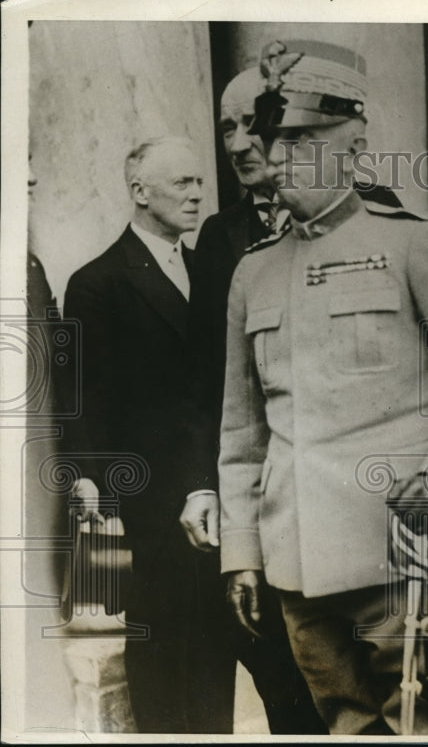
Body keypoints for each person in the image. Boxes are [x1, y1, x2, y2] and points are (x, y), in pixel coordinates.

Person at [217, 39, 428, 736]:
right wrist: (242, 554)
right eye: (273, 137)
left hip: (410, 556)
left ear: (354, 148)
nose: (279, 154)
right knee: (347, 728)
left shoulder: (419, 244)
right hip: (299, 572)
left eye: (302, 138)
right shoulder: (253, 273)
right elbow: (243, 433)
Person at [62, 136, 239, 732]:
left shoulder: (208, 272)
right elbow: (83, 396)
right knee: (161, 647)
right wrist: (93, 490)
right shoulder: (98, 283)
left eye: (198, 182)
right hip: (145, 500)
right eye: (181, 184)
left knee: (214, 645)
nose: (197, 194)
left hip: (211, 486)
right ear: (140, 192)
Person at [179, 66, 326, 735]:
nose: (238, 143)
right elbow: (208, 379)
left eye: (252, 123)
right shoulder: (218, 238)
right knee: (281, 682)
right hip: (262, 503)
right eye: (227, 128)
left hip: (346, 496)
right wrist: (202, 486)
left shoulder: (373, 215)